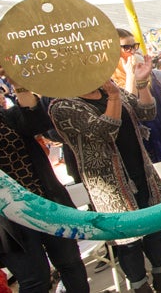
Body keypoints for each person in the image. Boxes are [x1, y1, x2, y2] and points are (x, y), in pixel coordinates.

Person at [49, 64, 161, 293]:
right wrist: (113, 97)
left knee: (154, 229)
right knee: (128, 241)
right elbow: (105, 132)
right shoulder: (63, 106)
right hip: (110, 185)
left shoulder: (112, 91)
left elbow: (147, 112)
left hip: (141, 172)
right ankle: (140, 288)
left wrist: (142, 84)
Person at [0, 78, 90, 293]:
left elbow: (37, 122)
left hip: (46, 203)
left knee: (71, 265)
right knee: (35, 281)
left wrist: (18, 83)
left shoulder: (8, 118)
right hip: (9, 222)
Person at [115, 28, 161, 258]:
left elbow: (155, 103)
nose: (132, 51)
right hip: (146, 140)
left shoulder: (148, 71)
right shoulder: (112, 80)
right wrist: (130, 77)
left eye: (134, 45)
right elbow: (126, 112)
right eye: (126, 47)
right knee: (160, 186)